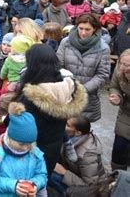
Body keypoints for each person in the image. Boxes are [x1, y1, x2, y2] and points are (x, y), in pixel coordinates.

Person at [19, 44, 88, 178]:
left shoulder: (32, 95)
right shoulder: (66, 87)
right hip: (53, 148)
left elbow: (18, 123)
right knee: (42, 181)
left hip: (31, 151)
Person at [0, 102, 48, 197]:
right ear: (11, 138)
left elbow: (42, 175)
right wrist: (12, 185)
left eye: (30, 144)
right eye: (21, 144)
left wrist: (35, 184)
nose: (26, 147)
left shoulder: (35, 153)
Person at [57, 13, 110, 122]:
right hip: (66, 94)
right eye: (80, 28)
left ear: (94, 29)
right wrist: (67, 85)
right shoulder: (65, 42)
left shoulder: (103, 48)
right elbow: (58, 66)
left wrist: (82, 89)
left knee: (82, 132)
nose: (83, 33)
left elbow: (102, 74)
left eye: (87, 29)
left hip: (87, 97)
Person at [52, 115, 106, 193]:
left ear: (78, 133)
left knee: (49, 176)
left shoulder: (87, 156)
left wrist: (64, 172)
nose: (62, 125)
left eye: (67, 125)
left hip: (88, 189)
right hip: (73, 172)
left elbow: (90, 187)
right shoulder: (71, 138)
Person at [108, 49, 130, 171]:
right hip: (126, 112)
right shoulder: (119, 69)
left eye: (127, 65)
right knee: (119, 147)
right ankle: (116, 175)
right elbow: (114, 86)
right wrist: (117, 97)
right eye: (121, 63)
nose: (122, 67)